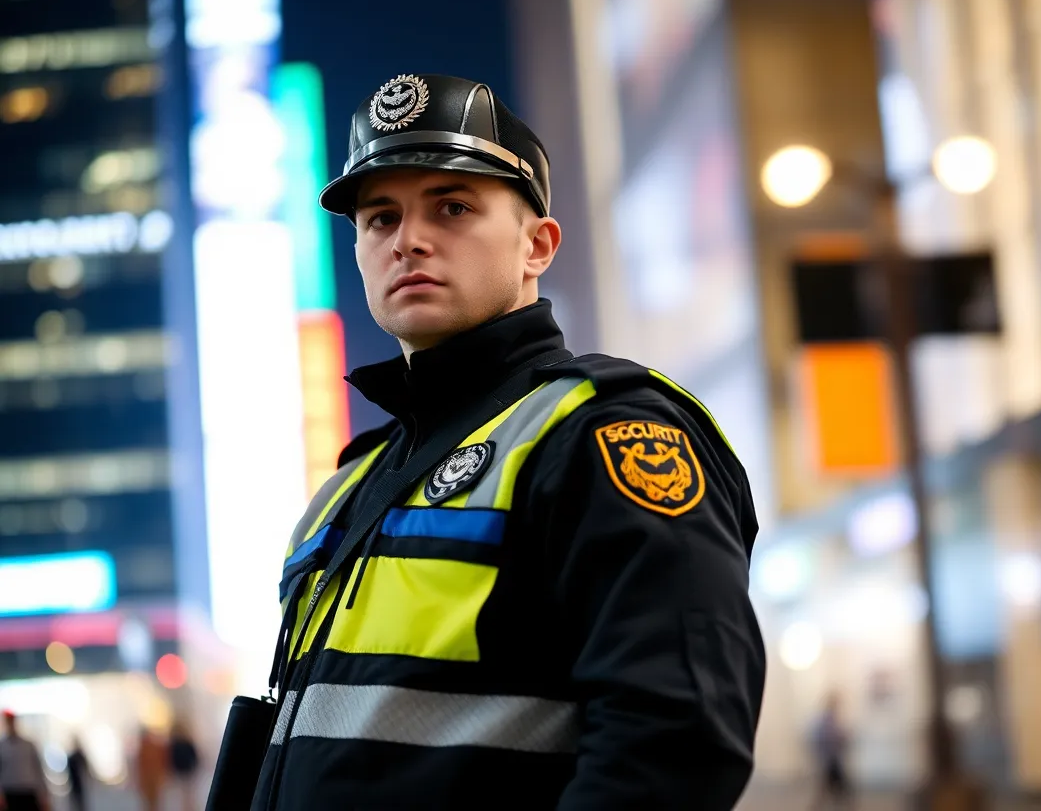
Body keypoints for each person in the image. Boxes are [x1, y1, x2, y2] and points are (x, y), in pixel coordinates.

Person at [246, 73, 765, 810]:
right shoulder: (346, 489)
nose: (408, 240)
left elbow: (676, 744)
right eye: (381, 218)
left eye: (453, 207)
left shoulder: (601, 433)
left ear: (537, 246)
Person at [809, 693, 852, 810]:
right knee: (836, 786)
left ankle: (819, 805)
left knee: (830, 786)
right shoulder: (828, 718)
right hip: (831, 759)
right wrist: (843, 737)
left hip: (830, 758)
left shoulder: (827, 718)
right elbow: (831, 736)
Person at [0, 710, 50, 811]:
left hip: (28, 790)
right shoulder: (2, 746)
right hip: (9, 792)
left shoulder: (28, 745)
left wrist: (44, 793)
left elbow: (38, 769)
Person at [167, 721, 200, 811]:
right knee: (183, 792)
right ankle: (186, 807)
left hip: (186, 770)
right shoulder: (174, 745)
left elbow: (194, 756)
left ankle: (189, 807)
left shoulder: (184, 743)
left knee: (187, 792)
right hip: (181, 770)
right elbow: (171, 758)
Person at [133, 727, 167, 811]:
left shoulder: (150, 747)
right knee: (150, 800)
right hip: (149, 777)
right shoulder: (144, 748)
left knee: (153, 800)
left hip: (153, 777)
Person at [66, 737, 90, 811]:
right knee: (77, 798)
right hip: (76, 781)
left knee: (79, 797)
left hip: (78, 781)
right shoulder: (73, 757)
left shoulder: (77, 756)